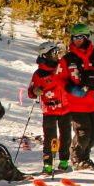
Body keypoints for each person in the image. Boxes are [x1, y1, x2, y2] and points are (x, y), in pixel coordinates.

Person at [54, 23, 94, 169]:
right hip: (77, 103)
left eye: (80, 37)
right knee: (83, 133)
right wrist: (72, 89)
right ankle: (77, 158)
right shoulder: (67, 59)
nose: (77, 40)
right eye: (74, 37)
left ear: (86, 37)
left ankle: (85, 157)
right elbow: (59, 79)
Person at [28, 40, 69, 174]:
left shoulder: (62, 67)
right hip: (50, 110)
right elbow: (31, 91)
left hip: (66, 108)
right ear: (46, 55)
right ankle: (48, 163)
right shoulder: (39, 73)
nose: (57, 55)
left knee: (65, 136)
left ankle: (64, 161)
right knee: (51, 137)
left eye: (57, 52)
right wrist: (35, 91)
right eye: (54, 53)